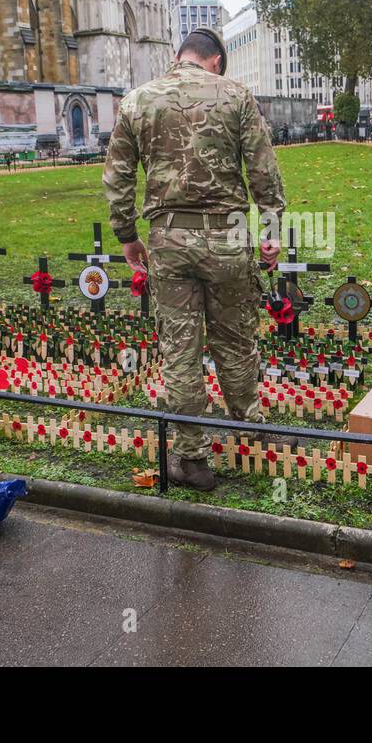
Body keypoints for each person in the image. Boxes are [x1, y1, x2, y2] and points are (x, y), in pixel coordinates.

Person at [103, 26, 286, 491]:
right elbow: (264, 170)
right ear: (217, 61)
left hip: (169, 239)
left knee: (180, 350)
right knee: (236, 335)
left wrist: (127, 236)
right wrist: (269, 231)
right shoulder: (237, 96)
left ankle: (191, 458)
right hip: (228, 237)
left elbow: (117, 178)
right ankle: (251, 423)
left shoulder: (138, 101)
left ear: (180, 56)